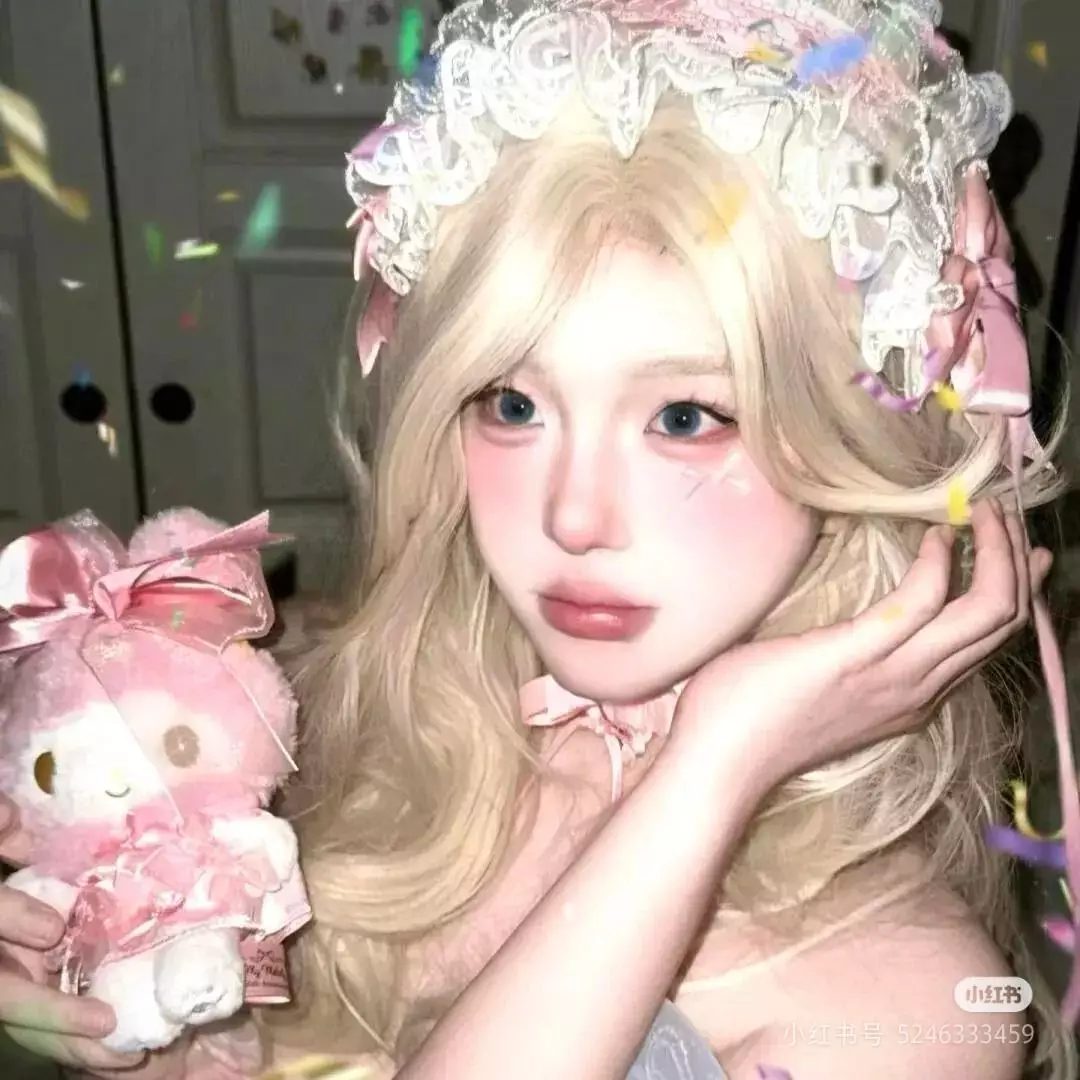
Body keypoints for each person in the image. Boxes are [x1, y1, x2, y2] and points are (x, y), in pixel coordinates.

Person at [1, 0, 1078, 1077]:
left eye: (685, 417)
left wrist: (714, 768)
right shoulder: (369, 716)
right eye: (512, 404)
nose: (572, 516)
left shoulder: (922, 1013)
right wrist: (147, 1031)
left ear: (856, 436)